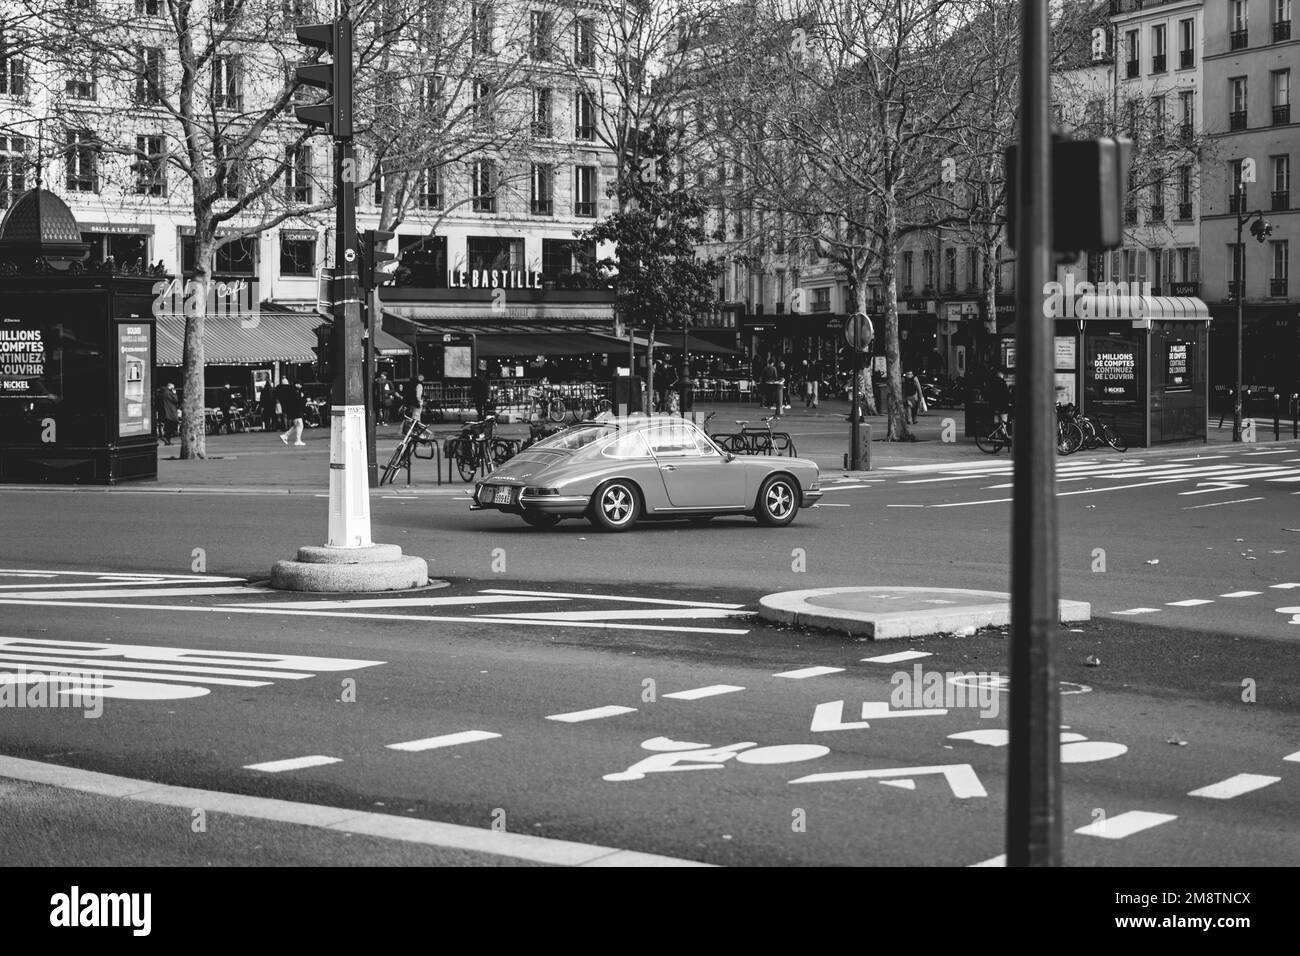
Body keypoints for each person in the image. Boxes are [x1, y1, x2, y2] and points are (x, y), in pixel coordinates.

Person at [277, 377, 305, 446]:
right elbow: (296, 400)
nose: (301, 386)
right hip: (295, 410)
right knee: (300, 425)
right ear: (297, 384)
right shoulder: (294, 390)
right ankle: (297, 440)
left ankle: (285, 435)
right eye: (300, 384)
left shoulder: (290, 390)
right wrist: (301, 396)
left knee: (297, 425)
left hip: (293, 410)